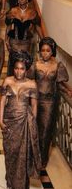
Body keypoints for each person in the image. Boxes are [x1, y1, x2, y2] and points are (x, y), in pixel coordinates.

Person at [0, 51, 41, 189]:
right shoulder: (7, 81)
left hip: (24, 122)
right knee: (10, 152)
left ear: (26, 69)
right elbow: (2, 101)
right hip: (9, 121)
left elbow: (34, 105)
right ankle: (10, 180)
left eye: (22, 68)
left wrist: (32, 123)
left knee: (22, 153)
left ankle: (21, 183)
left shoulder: (32, 84)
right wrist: (0, 120)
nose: (18, 71)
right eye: (16, 68)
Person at [27, 37, 71, 168]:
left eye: (48, 50)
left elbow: (60, 83)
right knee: (33, 128)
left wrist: (68, 91)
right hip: (35, 100)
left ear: (52, 51)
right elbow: (28, 82)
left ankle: (42, 160)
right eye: (43, 50)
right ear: (40, 51)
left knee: (45, 131)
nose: (45, 53)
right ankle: (32, 157)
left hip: (50, 103)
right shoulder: (35, 65)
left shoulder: (58, 66)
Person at [5, 0, 43, 75]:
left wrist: (43, 40)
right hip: (14, 41)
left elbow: (37, 27)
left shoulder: (32, 12)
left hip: (26, 43)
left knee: (24, 63)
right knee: (14, 63)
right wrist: (6, 40)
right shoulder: (13, 11)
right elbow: (9, 26)